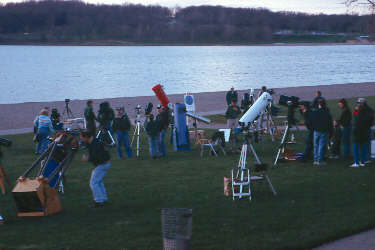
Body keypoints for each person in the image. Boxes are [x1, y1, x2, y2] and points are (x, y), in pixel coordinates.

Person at [80, 130, 111, 208]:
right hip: (104, 163)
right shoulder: (93, 142)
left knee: (93, 183)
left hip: (103, 164)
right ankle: (104, 199)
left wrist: (87, 159)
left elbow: (96, 156)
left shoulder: (95, 144)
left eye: (82, 138)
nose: (81, 139)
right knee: (99, 181)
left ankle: (98, 201)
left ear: (86, 137)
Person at [351, 98, 372, 167]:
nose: (358, 104)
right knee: (363, 147)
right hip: (365, 131)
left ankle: (356, 162)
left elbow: (356, 118)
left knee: (356, 147)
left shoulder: (360, 111)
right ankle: (363, 161)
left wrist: (355, 110)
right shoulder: (369, 110)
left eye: (359, 103)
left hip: (358, 131)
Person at [311, 100, 333, 166]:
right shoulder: (327, 113)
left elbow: (312, 121)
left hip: (316, 130)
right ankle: (319, 160)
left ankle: (315, 160)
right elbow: (330, 124)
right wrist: (331, 132)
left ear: (319, 105)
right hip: (324, 131)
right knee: (321, 146)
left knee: (316, 146)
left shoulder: (315, 112)